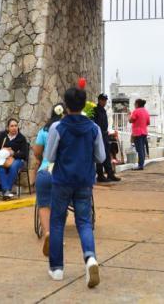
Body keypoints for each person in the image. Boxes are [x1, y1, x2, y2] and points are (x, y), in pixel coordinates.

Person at [43, 86, 106, 287]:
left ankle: (57, 268)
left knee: (57, 222)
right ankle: (90, 258)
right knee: (84, 222)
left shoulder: (57, 128)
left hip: (62, 180)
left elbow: (50, 157)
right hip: (85, 181)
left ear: (66, 105)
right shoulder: (94, 128)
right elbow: (101, 157)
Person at [34, 103, 64, 257]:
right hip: (63, 172)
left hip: (45, 170)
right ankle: (57, 235)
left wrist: (41, 159)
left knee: (44, 204)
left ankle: (47, 232)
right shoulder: (67, 130)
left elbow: (37, 151)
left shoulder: (44, 130)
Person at [0, 118, 29, 200]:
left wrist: (13, 153)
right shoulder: (1, 136)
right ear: (8, 127)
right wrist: (2, 152)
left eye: (16, 126)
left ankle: (5, 191)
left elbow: (24, 154)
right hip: (3, 158)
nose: (14, 128)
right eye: (12, 126)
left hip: (16, 159)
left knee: (14, 166)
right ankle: (7, 191)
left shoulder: (21, 138)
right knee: (0, 165)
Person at [94, 94, 120, 182]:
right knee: (100, 155)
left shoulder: (103, 110)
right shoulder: (96, 110)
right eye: (103, 100)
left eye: (105, 100)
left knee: (106, 155)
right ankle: (100, 175)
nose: (104, 102)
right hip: (99, 135)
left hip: (105, 135)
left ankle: (110, 174)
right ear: (99, 100)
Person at [129, 99, 150, 170]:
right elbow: (148, 123)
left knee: (139, 149)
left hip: (137, 132)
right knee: (142, 149)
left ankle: (140, 165)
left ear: (137, 104)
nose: (134, 105)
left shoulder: (136, 111)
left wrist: (129, 115)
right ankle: (141, 164)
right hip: (144, 132)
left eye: (134, 104)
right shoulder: (146, 111)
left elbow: (131, 120)